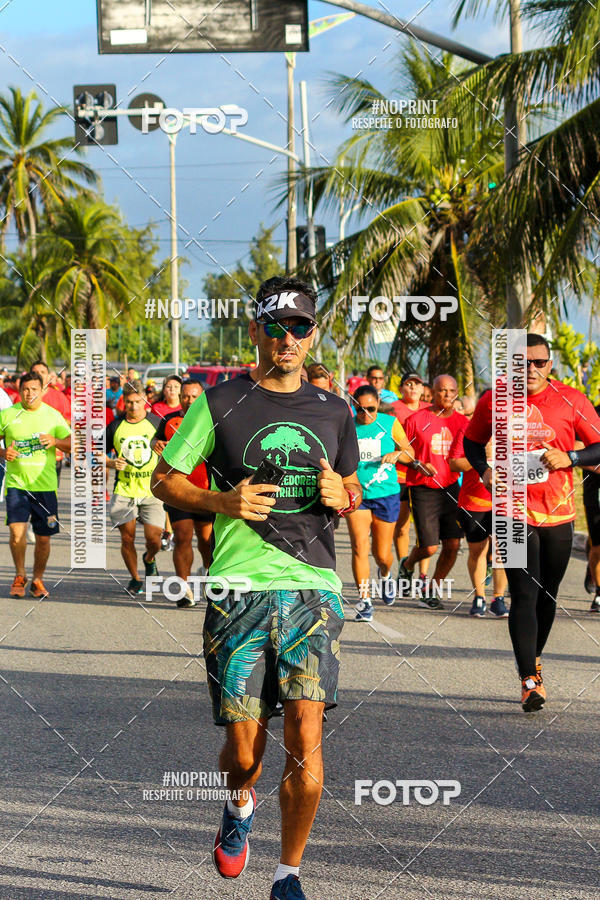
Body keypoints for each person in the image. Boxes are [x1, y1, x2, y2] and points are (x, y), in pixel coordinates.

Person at [151, 276, 360, 900]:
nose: (288, 339)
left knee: (306, 736)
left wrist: (342, 496)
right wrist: (222, 499)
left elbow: (350, 488)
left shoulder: (335, 409)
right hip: (238, 588)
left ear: (313, 334)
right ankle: (238, 803)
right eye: (276, 327)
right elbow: (163, 481)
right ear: (255, 332)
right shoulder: (219, 404)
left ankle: (288, 874)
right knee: (245, 751)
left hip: (313, 589)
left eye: (300, 328)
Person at [464, 333, 600, 711]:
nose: (531, 370)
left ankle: (533, 660)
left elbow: (599, 444)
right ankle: (528, 679)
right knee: (523, 593)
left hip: (558, 512)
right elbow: (472, 442)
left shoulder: (571, 399)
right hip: (509, 510)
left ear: (549, 364)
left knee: (547, 595)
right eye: (523, 363)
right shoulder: (495, 398)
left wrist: (570, 458)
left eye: (539, 362)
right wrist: (484, 469)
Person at [398, 375, 468, 609]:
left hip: (451, 487)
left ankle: (432, 588)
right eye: (442, 391)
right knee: (429, 546)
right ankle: (408, 565)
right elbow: (402, 453)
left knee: (453, 545)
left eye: (451, 390)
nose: (447, 395)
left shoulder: (464, 423)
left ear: (457, 393)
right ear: (432, 393)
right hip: (421, 487)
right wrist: (418, 464)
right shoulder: (417, 420)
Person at [0, 372, 71, 598]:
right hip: (16, 485)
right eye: (25, 389)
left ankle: (38, 579)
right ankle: (20, 575)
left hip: (45, 487)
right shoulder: (7, 415)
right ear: (19, 391)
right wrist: (3, 452)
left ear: (43, 390)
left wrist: (56, 441)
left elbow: (73, 442)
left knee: (43, 538)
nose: (30, 394)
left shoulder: (53, 416)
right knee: (16, 533)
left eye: (34, 389)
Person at [348, 385, 415, 621]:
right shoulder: (348, 425)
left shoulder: (389, 423)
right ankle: (364, 601)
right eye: (360, 409)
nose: (365, 414)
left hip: (385, 494)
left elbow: (410, 453)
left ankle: (385, 575)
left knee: (383, 553)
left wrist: (397, 455)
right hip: (357, 494)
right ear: (354, 405)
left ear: (378, 404)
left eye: (371, 408)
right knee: (359, 547)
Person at [151, 379, 213, 608]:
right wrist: (156, 443)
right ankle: (184, 588)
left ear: (202, 397)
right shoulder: (169, 419)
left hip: (205, 490)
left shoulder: (212, 418)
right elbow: (155, 440)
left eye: (194, 396)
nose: (189, 401)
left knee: (206, 540)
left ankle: (207, 573)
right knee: (183, 536)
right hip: (177, 487)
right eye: (186, 396)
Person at [103, 380, 164, 596]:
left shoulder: (157, 423)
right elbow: (96, 452)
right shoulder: (115, 426)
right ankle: (135, 579)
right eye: (129, 402)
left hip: (151, 491)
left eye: (137, 402)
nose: (133, 406)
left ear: (144, 402)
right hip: (125, 491)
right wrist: (110, 462)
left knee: (154, 539)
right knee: (127, 538)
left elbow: (171, 450)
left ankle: (149, 559)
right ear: (124, 402)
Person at [449, 428, 509, 617]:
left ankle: (498, 598)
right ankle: (479, 597)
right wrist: (479, 458)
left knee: (504, 551)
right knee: (478, 550)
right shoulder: (469, 431)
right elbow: (454, 464)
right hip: (474, 501)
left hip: (508, 499)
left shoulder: (517, 430)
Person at [391, 373, 431, 573]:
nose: (413, 387)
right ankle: (403, 567)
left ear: (423, 389)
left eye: (418, 384)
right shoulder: (394, 410)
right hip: (400, 475)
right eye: (409, 384)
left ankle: (423, 573)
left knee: (425, 530)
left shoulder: (430, 410)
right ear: (401, 388)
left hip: (424, 475)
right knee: (403, 526)